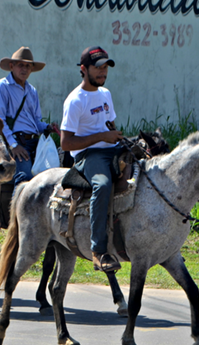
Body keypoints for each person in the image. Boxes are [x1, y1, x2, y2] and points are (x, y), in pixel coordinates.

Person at [60, 46, 125, 273]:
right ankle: (98, 251)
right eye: (98, 67)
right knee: (103, 185)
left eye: (105, 67)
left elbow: (111, 125)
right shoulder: (75, 100)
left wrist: (118, 138)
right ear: (83, 69)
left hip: (113, 148)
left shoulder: (105, 94)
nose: (102, 72)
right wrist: (102, 137)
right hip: (89, 156)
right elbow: (66, 144)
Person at [0, 46, 58, 185]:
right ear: (11, 66)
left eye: (28, 66)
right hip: (17, 142)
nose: (25, 69)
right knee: (24, 178)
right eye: (21, 65)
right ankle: (16, 207)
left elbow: (36, 121)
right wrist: (13, 145)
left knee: (51, 179)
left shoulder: (32, 90)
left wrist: (47, 127)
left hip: (36, 143)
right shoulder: (2, 86)